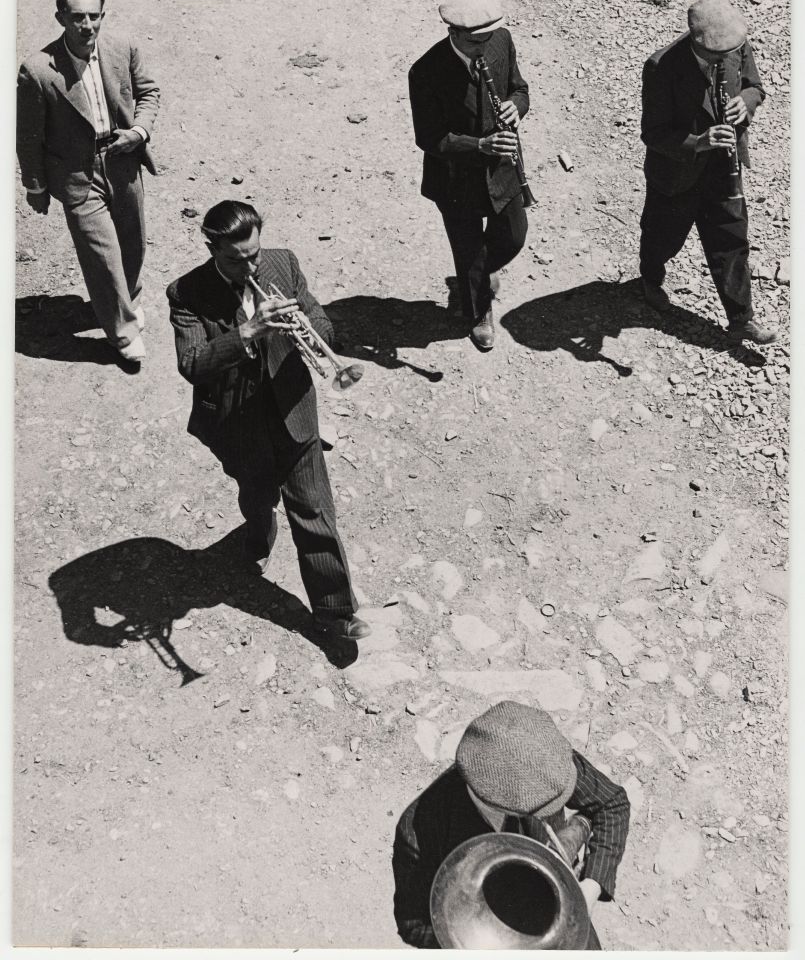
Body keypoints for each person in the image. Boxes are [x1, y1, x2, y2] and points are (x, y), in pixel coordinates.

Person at [166, 201, 370, 642]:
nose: (250, 268)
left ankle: (336, 612)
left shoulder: (283, 263)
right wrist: (246, 332)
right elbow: (192, 363)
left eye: (254, 255)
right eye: (236, 260)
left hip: (292, 408)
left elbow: (322, 322)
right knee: (257, 495)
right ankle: (259, 531)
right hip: (237, 420)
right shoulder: (186, 293)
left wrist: (305, 326)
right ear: (212, 249)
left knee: (314, 508)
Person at [392, 700, 630, 949]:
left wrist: (591, 888)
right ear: (505, 807)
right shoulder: (418, 830)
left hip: (559, 916)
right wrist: (474, 939)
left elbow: (612, 803)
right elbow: (413, 924)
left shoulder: (543, 756)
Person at [16, 0, 160, 365]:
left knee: (132, 242)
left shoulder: (122, 48)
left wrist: (138, 132)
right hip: (77, 176)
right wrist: (35, 186)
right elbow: (28, 136)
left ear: (102, 16)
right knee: (102, 255)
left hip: (123, 160)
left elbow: (149, 93)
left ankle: (127, 301)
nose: (87, 26)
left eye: (94, 17)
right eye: (78, 17)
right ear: (61, 17)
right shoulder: (38, 70)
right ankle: (122, 331)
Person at [639, 0, 777, 344]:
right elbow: (653, 133)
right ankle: (649, 281)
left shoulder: (733, 45)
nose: (724, 58)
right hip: (676, 173)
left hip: (722, 167)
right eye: (716, 55)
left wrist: (745, 103)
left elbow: (755, 87)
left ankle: (741, 319)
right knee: (662, 236)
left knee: (731, 238)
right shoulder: (660, 67)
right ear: (696, 41)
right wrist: (699, 141)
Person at [408, 0, 530, 351]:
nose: (484, 48)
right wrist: (479, 146)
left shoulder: (500, 40)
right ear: (454, 33)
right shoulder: (426, 71)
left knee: (513, 237)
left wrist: (516, 106)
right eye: (476, 42)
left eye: (488, 39)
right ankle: (478, 310)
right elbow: (430, 138)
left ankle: (472, 278)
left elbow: (520, 89)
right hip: (455, 180)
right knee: (469, 250)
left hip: (503, 167)